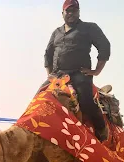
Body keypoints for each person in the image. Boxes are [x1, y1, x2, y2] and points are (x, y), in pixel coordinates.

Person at [42, 0, 110, 142]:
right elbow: (48, 54)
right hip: (57, 75)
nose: (71, 13)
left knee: (85, 101)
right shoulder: (57, 32)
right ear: (62, 13)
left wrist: (96, 71)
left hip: (79, 73)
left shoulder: (89, 28)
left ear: (79, 12)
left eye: (74, 10)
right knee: (39, 98)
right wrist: (50, 76)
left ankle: (101, 127)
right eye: (68, 11)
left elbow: (104, 46)